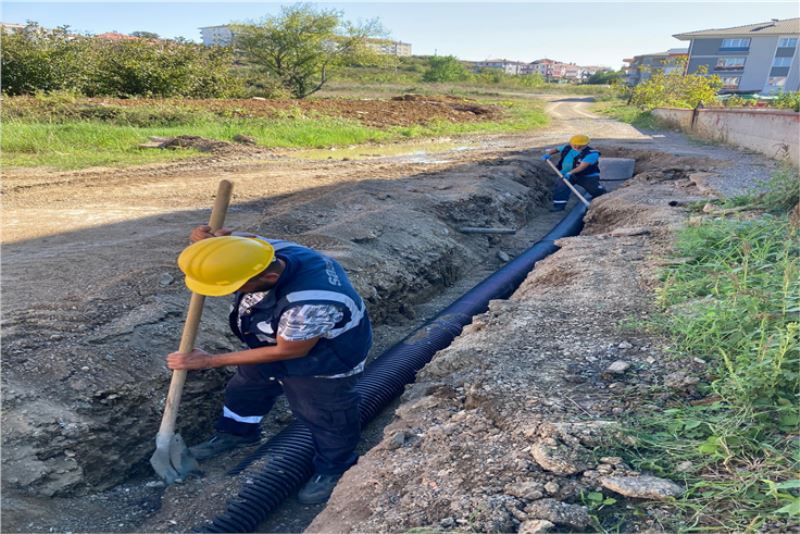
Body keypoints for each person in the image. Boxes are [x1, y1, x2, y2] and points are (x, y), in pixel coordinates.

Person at [167, 226, 372, 505]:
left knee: (325, 413)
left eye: (236, 287)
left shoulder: (311, 300)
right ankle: (237, 433)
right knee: (244, 390)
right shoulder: (268, 254)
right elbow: (243, 245)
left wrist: (210, 361)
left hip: (324, 358)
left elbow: (289, 350)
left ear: (269, 278)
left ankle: (335, 467)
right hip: (270, 340)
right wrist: (215, 245)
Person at [540, 134, 606, 211]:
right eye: (574, 144)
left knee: (596, 192)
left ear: (586, 144)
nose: (576, 147)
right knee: (561, 186)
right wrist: (548, 154)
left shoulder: (592, 154)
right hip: (567, 174)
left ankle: (601, 193)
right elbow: (556, 149)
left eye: (580, 145)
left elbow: (582, 167)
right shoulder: (567, 148)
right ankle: (559, 206)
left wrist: (570, 173)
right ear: (571, 143)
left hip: (587, 176)